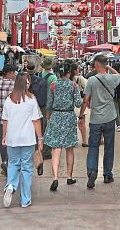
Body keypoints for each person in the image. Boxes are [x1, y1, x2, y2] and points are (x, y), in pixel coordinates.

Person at [1, 74, 44, 209]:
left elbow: (5, 120)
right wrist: (40, 138)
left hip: (12, 139)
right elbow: (36, 120)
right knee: (26, 168)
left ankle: (10, 186)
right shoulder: (31, 99)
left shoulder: (9, 99)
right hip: (27, 139)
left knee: (13, 164)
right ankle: (25, 199)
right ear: (28, 84)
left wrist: (4, 135)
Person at [80, 53, 120, 189]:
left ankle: (92, 171)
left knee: (93, 146)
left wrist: (81, 115)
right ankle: (108, 174)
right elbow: (118, 75)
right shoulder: (112, 79)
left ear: (96, 65)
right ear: (105, 65)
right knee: (109, 146)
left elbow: (86, 100)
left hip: (96, 118)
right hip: (110, 117)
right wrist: (109, 67)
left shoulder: (91, 80)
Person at [44, 62, 80, 191]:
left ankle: (55, 178)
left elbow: (49, 103)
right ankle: (69, 177)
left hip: (56, 116)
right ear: (69, 73)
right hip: (69, 117)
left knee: (56, 148)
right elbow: (78, 103)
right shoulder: (73, 85)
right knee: (69, 148)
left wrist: (48, 115)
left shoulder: (53, 85)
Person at [0, 64, 17, 175]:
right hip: (14, 118)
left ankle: (4, 163)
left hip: (2, 118)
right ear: (10, 73)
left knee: (3, 141)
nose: (15, 74)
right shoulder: (15, 85)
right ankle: (11, 163)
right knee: (13, 141)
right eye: (14, 72)